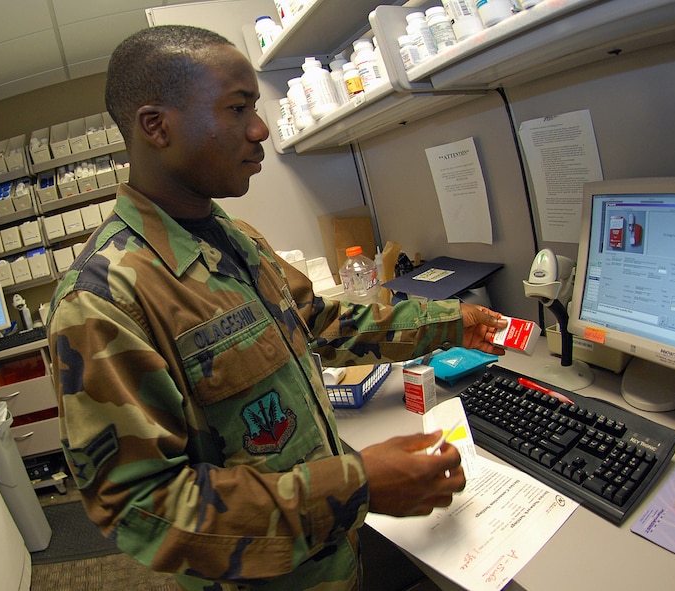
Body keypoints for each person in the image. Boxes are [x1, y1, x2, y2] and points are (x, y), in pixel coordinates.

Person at [47, 24, 508, 591]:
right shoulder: (102, 300)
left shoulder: (234, 237)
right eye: (238, 109)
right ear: (156, 126)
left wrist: (449, 321)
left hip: (334, 556)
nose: (260, 129)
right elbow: (145, 509)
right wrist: (354, 485)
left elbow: (321, 323)